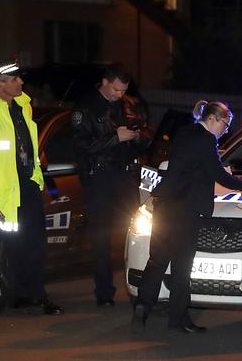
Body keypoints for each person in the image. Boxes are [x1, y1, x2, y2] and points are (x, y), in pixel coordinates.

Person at [132, 101, 242, 334]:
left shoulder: (184, 133)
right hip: (186, 212)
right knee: (182, 267)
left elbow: (189, 169)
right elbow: (217, 173)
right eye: (226, 126)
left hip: (166, 207)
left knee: (157, 261)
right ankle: (178, 318)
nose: (225, 131)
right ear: (214, 119)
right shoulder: (205, 141)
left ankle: (142, 307)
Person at [0, 61, 63, 315]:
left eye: (20, 79)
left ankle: (35, 294)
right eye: (15, 79)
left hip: (26, 186)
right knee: (15, 244)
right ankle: (22, 294)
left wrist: (37, 178)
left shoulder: (23, 107)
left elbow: (29, 148)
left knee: (35, 244)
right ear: (0, 83)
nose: (21, 83)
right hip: (4, 192)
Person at [72, 63, 153, 307]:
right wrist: (114, 138)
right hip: (100, 178)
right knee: (102, 237)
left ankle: (145, 289)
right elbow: (81, 145)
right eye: (116, 90)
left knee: (140, 233)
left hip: (126, 176)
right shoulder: (86, 107)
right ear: (105, 82)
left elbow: (149, 134)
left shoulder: (131, 103)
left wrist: (138, 136)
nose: (120, 95)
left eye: (123, 90)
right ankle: (104, 292)